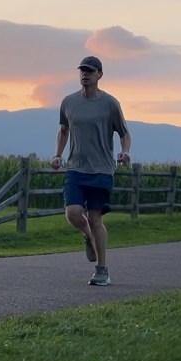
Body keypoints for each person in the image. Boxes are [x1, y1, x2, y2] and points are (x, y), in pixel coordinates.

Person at [50, 55, 131, 286]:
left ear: (100, 75)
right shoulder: (68, 102)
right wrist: (57, 154)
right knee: (73, 213)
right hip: (76, 167)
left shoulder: (110, 104)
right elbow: (63, 130)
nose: (85, 74)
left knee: (96, 218)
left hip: (102, 169)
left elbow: (124, 133)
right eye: (82, 71)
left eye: (90, 71)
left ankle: (101, 270)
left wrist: (125, 152)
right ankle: (87, 235)